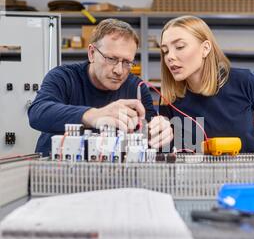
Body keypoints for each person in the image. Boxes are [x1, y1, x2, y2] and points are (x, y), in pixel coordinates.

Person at [28, 18, 173, 156]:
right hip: (56, 173)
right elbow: (37, 113)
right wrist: (94, 115)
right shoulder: (64, 77)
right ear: (92, 53)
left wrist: (160, 133)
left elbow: (150, 135)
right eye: (111, 59)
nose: (119, 71)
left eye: (127, 62)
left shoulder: (136, 88)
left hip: (112, 176)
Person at [159, 15, 254, 152]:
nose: (169, 56)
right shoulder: (169, 97)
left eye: (179, 46)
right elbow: (169, 150)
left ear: (205, 48)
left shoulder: (244, 81)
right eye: (165, 51)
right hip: (194, 173)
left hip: (245, 172)